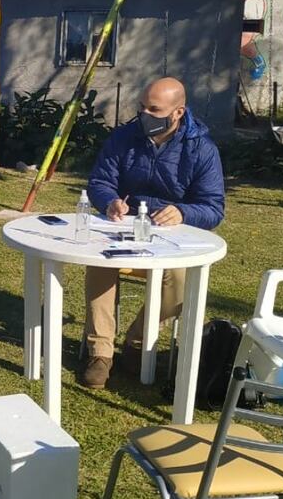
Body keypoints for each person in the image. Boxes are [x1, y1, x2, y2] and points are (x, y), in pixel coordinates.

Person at [81, 77, 225, 389]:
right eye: (142, 106)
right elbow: (100, 182)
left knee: (180, 279)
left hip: (172, 237)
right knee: (98, 263)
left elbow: (213, 207)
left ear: (178, 112)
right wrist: (109, 202)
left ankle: (137, 344)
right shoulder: (123, 137)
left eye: (154, 110)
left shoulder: (202, 149)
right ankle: (100, 352)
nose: (145, 114)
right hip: (123, 228)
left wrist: (183, 212)